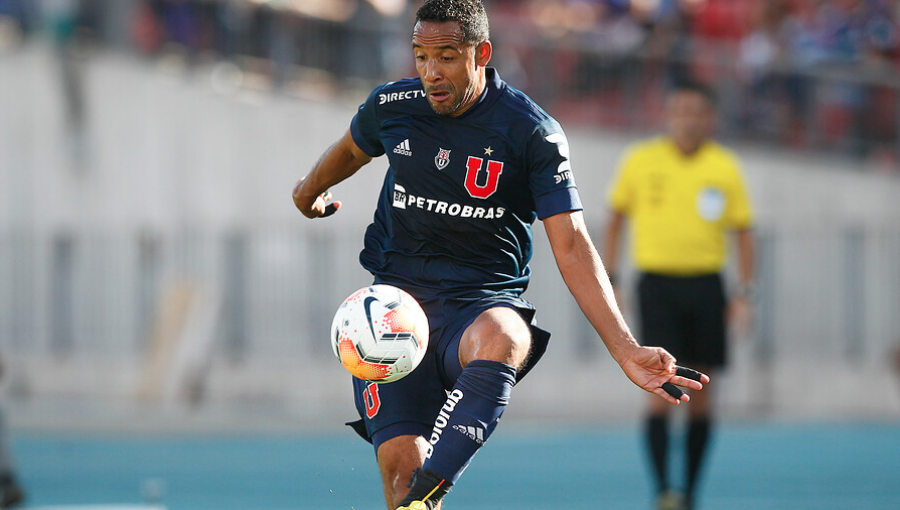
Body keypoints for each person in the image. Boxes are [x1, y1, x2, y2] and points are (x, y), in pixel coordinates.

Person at [293, 2, 708, 509]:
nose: (430, 72)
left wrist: (624, 348)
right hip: (395, 307)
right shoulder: (393, 105)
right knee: (400, 473)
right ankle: (418, 495)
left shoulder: (531, 131)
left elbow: (572, 242)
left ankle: (433, 486)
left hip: (476, 303)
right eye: (421, 56)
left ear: (481, 53)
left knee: (507, 335)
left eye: (446, 56)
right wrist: (307, 191)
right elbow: (351, 149)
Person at [603, 81, 755, 510]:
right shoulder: (640, 161)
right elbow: (615, 218)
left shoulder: (724, 167)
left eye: (697, 112)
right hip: (657, 286)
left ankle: (690, 492)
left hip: (707, 286)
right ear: (668, 116)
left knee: (703, 391)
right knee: (662, 388)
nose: (688, 119)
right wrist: (611, 277)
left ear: (711, 119)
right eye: (680, 111)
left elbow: (744, 233)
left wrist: (744, 292)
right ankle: (662, 491)